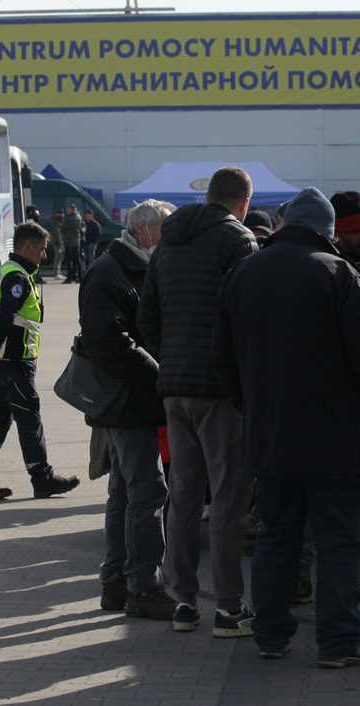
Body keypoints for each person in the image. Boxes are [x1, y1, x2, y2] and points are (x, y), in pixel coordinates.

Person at [213, 187, 360, 667]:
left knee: (277, 536)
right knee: (339, 539)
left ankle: (270, 635)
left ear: (283, 225)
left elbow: (221, 361)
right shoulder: (339, 273)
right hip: (334, 438)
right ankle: (339, 642)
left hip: (271, 435)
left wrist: (253, 407)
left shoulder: (242, 273)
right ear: (327, 230)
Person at [138, 166, 258, 638]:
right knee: (229, 498)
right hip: (220, 390)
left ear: (207, 196)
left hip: (175, 388)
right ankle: (229, 608)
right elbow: (250, 319)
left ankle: (183, 601)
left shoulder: (167, 243)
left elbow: (145, 317)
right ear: (243, 203)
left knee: (184, 495)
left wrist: (172, 356)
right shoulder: (238, 241)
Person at [79, 199, 177, 621]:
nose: (168, 241)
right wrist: (160, 376)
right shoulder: (110, 272)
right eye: (164, 232)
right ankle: (142, 585)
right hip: (127, 400)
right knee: (147, 491)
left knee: (124, 489)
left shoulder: (131, 267)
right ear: (143, 231)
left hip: (129, 399)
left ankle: (117, 580)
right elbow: (110, 345)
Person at [0, 221, 80, 500]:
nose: (44, 255)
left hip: (0, 363)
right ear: (27, 247)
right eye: (41, 249)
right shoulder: (17, 277)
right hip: (13, 364)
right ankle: (42, 478)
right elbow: (4, 316)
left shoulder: (5, 271)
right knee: (29, 419)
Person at [62, 204, 84, 283]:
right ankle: (80, 276)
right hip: (77, 240)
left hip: (69, 241)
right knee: (78, 260)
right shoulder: (79, 217)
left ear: (71, 209)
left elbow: (63, 227)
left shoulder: (69, 218)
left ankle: (69, 278)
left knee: (69, 260)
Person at [51, 210, 66, 280]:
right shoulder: (57, 221)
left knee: (60, 257)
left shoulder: (57, 221)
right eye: (61, 213)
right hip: (58, 243)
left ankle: (58, 272)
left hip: (57, 242)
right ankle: (56, 273)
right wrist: (61, 243)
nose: (63, 215)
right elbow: (57, 233)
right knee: (58, 257)